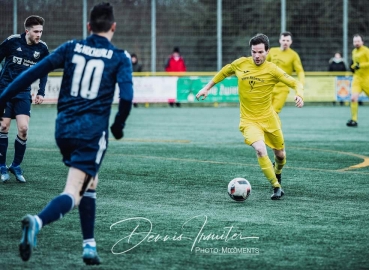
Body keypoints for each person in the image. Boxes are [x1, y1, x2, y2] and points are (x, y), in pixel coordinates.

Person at [0, 2, 133, 265]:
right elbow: (127, 98)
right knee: (74, 191)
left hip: (63, 130)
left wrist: (2, 97)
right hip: (91, 133)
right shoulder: (120, 57)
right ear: (114, 27)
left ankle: (89, 246)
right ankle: (37, 222)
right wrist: (118, 126)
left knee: (88, 183)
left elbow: (31, 76)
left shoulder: (71, 47)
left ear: (88, 27)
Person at [195, 33, 304, 200]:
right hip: (248, 121)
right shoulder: (241, 64)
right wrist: (207, 88)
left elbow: (295, 82)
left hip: (269, 118)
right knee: (260, 150)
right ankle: (276, 187)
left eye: (260, 52)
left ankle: (278, 172)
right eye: (254, 52)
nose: (257, 56)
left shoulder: (273, 70)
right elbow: (224, 72)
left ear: (267, 52)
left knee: (280, 155)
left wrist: (299, 94)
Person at [0, 15, 49, 183]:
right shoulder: (12, 41)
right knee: (4, 126)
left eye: (41, 31)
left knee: (23, 129)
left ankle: (16, 165)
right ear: (27, 31)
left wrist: (41, 92)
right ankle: (1, 166)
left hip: (23, 93)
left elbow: (44, 71)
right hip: (4, 91)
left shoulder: (42, 48)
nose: (39, 34)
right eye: (36, 31)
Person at [266, 31, 304, 113]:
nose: (285, 42)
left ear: (291, 42)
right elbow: (263, 65)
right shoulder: (272, 51)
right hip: (268, 87)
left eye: (287, 40)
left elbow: (300, 71)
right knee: (263, 111)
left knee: (274, 112)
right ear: (280, 40)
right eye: (283, 40)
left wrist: (300, 84)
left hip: (282, 89)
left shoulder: (294, 55)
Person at [346, 34, 369, 127]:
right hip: (357, 79)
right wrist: (352, 67)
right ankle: (354, 120)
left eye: (358, 41)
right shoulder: (354, 52)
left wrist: (361, 66)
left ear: (362, 42)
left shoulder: (366, 50)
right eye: (355, 41)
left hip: (367, 79)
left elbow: (363, 64)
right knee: (353, 98)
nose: (356, 43)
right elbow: (355, 64)